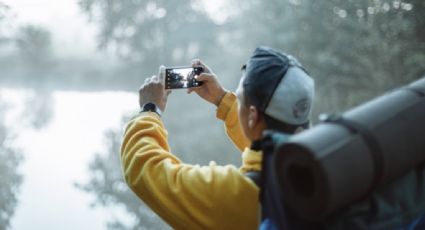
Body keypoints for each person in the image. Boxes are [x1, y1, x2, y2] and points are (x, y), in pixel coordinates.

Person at [120, 46, 314, 229]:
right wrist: (222, 99)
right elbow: (263, 142)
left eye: (239, 98)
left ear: (253, 116)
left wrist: (149, 110)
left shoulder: (238, 194)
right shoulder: (318, 160)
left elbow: (145, 170)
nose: (237, 103)